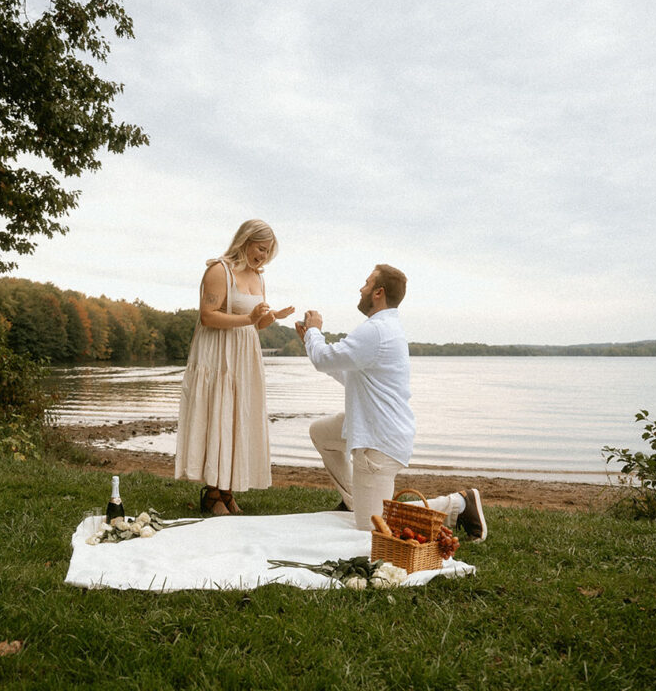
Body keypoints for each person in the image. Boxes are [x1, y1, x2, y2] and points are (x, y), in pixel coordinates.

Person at [296, 264, 487, 540]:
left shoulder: (376, 331)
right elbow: (348, 375)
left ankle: (459, 504)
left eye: (366, 283)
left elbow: (323, 358)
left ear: (378, 292)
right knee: (320, 432)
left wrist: (314, 331)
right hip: (370, 426)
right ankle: (355, 499)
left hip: (378, 440)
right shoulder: (381, 329)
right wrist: (310, 342)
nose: (361, 289)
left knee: (372, 527)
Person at [175, 219, 295, 515]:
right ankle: (212, 493)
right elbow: (207, 316)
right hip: (218, 354)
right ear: (245, 241)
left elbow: (258, 322)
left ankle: (226, 491)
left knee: (237, 416)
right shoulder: (219, 270)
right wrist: (250, 319)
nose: (263, 256)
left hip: (245, 354)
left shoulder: (258, 277)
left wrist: (270, 317)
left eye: (268, 252)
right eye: (260, 249)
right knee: (218, 412)